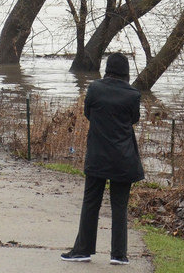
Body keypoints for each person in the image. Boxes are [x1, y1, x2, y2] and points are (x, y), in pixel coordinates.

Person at [61, 52, 144, 266]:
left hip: (98, 155)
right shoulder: (133, 95)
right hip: (123, 158)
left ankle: (83, 250)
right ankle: (119, 254)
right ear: (126, 73)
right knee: (119, 206)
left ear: (107, 69)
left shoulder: (95, 88)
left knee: (91, 203)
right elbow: (134, 119)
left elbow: (88, 113)